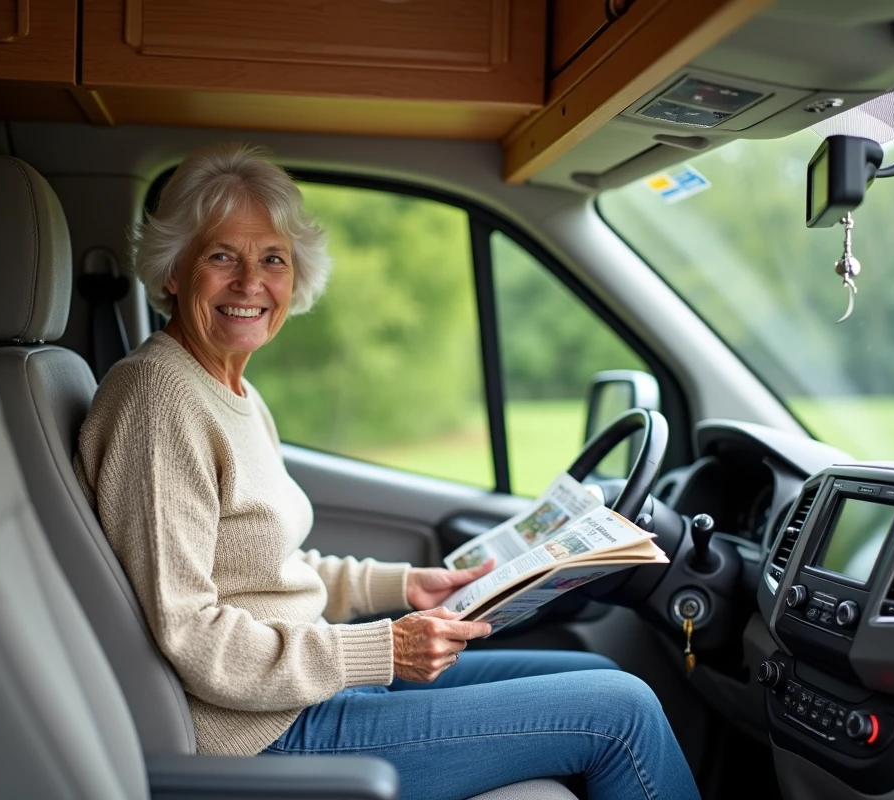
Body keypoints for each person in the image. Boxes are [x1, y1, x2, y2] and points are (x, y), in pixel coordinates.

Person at [75, 142, 699, 800]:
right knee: (622, 710)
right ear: (174, 269)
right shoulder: (157, 399)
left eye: (273, 259)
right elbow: (193, 634)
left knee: (592, 669)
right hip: (263, 733)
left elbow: (261, 569)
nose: (251, 283)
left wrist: (407, 586)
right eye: (221, 256)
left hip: (301, 690)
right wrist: (383, 650)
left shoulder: (230, 390)